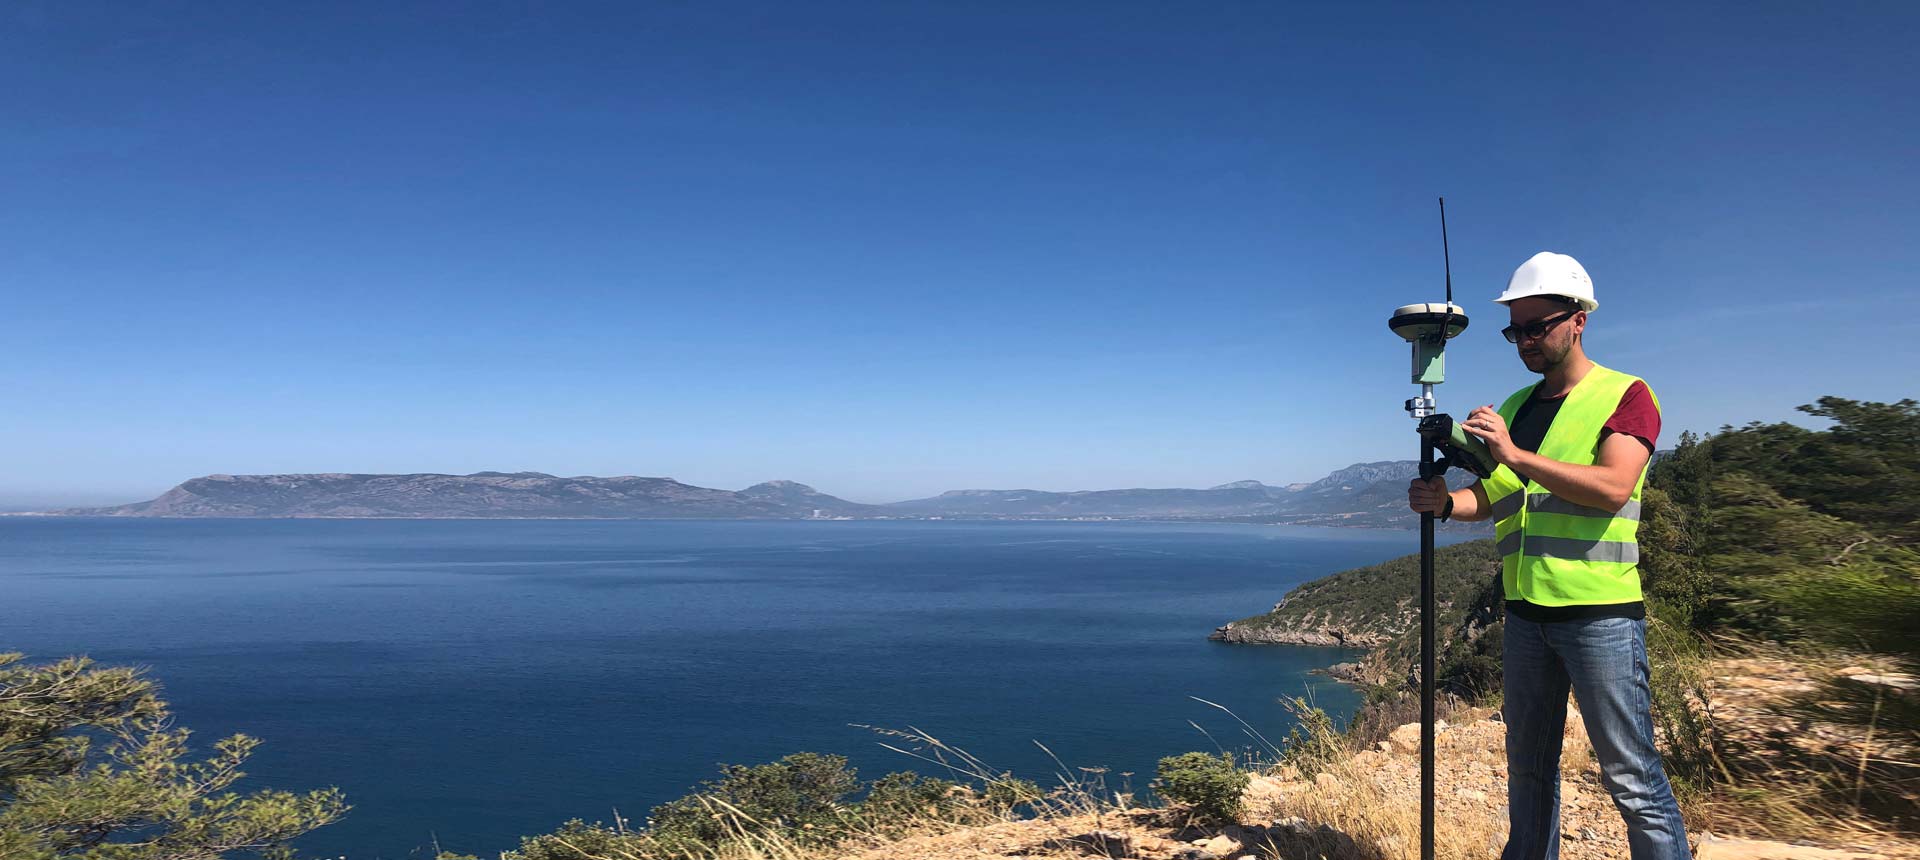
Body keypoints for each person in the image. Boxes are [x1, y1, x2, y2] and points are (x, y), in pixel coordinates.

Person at [1406, 251, 1689, 859]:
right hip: (1526, 615)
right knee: (1529, 770)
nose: (1525, 341)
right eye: (1515, 331)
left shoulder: (1626, 395)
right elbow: (1501, 497)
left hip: (1600, 615)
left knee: (1631, 777)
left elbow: (1613, 486)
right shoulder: (1515, 406)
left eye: (1537, 327)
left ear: (1579, 319)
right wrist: (1447, 504)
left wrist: (1514, 454)